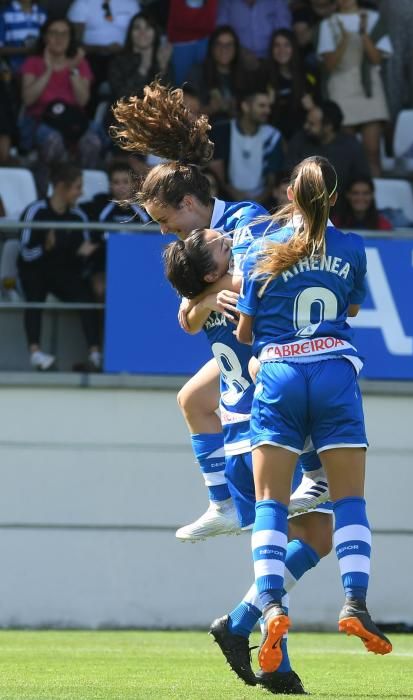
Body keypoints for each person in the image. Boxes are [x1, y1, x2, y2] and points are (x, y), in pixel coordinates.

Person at [110, 82, 329, 540]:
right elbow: (187, 321)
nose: (166, 232)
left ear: (189, 203)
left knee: (304, 528)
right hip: (237, 360)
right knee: (192, 400)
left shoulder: (244, 222)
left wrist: (207, 295)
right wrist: (204, 299)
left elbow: (256, 280)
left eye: (167, 220)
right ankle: (222, 504)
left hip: (271, 351)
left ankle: (317, 479)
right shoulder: (191, 248)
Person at [235, 155, 392, 672]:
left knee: (270, 505)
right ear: (335, 195)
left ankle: (273, 603)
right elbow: (349, 310)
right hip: (334, 372)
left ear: (290, 195)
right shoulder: (352, 246)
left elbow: (245, 335)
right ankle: (356, 603)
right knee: (349, 500)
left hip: (278, 372)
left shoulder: (263, 247)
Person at [164, 224, 333, 695]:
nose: (226, 239)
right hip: (267, 434)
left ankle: (267, 654)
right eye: (219, 245)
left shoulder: (208, 299)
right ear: (213, 268)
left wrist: (201, 295)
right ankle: (243, 627)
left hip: (237, 440)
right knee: (315, 536)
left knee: (297, 540)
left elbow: (188, 316)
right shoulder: (240, 285)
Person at [18, 163, 102, 371]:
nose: (80, 193)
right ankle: (35, 353)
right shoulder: (35, 211)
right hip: (35, 271)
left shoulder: (78, 216)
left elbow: (79, 254)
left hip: (63, 274)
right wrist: (46, 248)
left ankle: (95, 354)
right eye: (77, 187)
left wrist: (84, 253)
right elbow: (26, 253)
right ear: (61, 187)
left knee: (85, 293)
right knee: (34, 290)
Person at [19, 18, 102, 177]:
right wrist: (48, 70)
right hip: (41, 121)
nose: (59, 38)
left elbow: (83, 100)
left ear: (71, 38)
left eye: (65, 34)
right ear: (45, 37)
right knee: (52, 141)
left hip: (73, 122)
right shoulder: (33, 62)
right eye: (54, 33)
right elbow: (28, 99)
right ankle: (51, 190)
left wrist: (72, 70)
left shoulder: (80, 63)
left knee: (93, 143)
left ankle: (81, 189)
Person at [317, 0, 392, 175]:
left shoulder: (373, 18)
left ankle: (376, 197)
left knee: (373, 151)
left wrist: (364, 34)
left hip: (369, 88)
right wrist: (344, 40)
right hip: (341, 87)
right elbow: (329, 65)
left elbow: (377, 59)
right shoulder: (328, 24)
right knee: (345, 152)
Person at [81, 160, 150, 302]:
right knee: (100, 289)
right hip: (105, 264)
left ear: (134, 184)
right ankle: (102, 324)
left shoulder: (145, 210)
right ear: (110, 185)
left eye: (125, 182)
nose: (121, 187)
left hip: (137, 265)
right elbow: (94, 240)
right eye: (116, 182)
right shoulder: (99, 208)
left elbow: (151, 239)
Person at [208, 85, 284, 206]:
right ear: (245, 106)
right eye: (262, 106)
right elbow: (216, 173)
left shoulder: (273, 136)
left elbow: (272, 180)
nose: (267, 111)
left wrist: (255, 203)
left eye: (269, 106)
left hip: (263, 204)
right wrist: (235, 197)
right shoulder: (223, 131)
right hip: (226, 200)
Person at [286, 99, 372, 198]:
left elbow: (362, 181)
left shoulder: (351, 147)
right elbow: (288, 175)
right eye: (307, 122)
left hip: (342, 206)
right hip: (304, 201)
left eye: (312, 124)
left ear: (328, 126)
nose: (306, 126)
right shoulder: (299, 140)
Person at [67, 0, 140, 110]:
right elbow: (74, 42)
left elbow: (140, 32)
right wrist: (101, 49)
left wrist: (124, 50)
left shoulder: (131, 3)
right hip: (91, 56)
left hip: (125, 55)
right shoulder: (82, 3)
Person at [108, 12, 173, 104]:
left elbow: (166, 99)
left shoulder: (162, 59)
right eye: (137, 28)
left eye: (148, 27)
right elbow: (123, 98)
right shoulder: (118, 62)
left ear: (155, 32)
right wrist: (143, 68)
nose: (142, 33)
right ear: (130, 33)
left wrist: (162, 68)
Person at [185, 25, 243, 124]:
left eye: (229, 45)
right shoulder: (197, 72)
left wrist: (236, 109)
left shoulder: (244, 75)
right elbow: (186, 113)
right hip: (205, 133)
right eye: (219, 44)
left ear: (236, 48)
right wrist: (211, 109)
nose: (224, 49)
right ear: (212, 48)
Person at [264, 28, 316, 140]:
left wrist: (312, 107)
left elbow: (319, 109)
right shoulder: (264, 76)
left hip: (304, 135)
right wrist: (268, 105)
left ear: (294, 48)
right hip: (273, 135)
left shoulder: (308, 73)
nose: (281, 50)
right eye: (277, 45)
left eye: (286, 45)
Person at [216, 0, 292, 69]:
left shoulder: (276, 2)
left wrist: (272, 56)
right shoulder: (227, 2)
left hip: (273, 60)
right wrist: (241, 52)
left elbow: (285, 33)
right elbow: (221, 32)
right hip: (237, 61)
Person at [0, 0, 47, 71]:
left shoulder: (42, 14)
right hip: (12, 68)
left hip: (39, 68)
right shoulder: (4, 14)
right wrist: (26, 50)